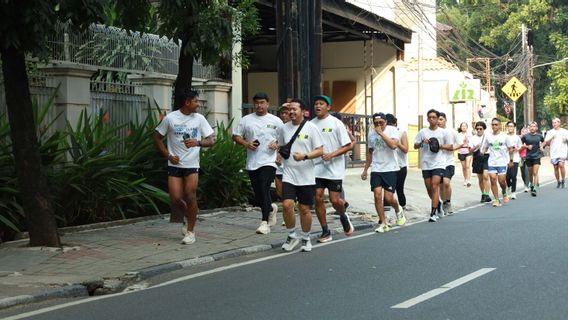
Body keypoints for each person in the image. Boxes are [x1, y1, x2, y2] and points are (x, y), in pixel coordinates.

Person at [154, 90, 215, 245]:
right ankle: (189, 215)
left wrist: (198, 142)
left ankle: (190, 232)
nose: (198, 104)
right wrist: (168, 156)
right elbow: (157, 138)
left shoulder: (199, 119)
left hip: (192, 164)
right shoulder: (170, 118)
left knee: (190, 195)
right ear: (187, 102)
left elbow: (211, 140)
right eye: (196, 101)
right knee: (175, 199)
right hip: (174, 164)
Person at [233, 92, 283, 235]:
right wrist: (246, 144)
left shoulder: (276, 121)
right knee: (258, 192)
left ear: (268, 104)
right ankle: (271, 208)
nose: (259, 105)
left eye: (262, 103)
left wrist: (277, 145)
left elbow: (284, 139)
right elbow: (236, 136)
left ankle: (264, 222)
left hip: (269, 161)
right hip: (253, 161)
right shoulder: (246, 120)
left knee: (264, 185)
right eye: (256, 103)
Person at [279, 99, 323, 252]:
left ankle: (306, 237)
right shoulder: (283, 128)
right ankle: (292, 235)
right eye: (289, 109)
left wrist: (304, 156)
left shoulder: (311, 128)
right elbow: (281, 146)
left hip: (306, 176)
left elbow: (320, 150)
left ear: (303, 111)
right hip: (289, 174)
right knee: (287, 205)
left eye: (294, 109)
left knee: (304, 209)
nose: (291, 112)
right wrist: (278, 155)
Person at [311, 95, 354, 243]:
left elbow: (348, 145)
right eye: (316, 104)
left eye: (321, 104)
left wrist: (331, 155)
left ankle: (343, 214)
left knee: (335, 200)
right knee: (317, 198)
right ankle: (325, 231)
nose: (318, 106)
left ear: (328, 107)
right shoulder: (311, 124)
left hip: (334, 168)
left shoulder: (336, 124)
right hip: (316, 168)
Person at [361, 112, 405, 232]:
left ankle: (398, 209)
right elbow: (370, 152)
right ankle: (383, 222)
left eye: (381, 123)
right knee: (377, 195)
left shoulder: (392, 130)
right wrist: (365, 169)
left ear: (386, 122)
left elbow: (393, 146)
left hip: (390, 169)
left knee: (389, 198)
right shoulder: (371, 134)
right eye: (376, 123)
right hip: (376, 169)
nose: (378, 125)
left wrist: (381, 133)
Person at [413, 109, 452, 222]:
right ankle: (438, 203)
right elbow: (415, 146)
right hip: (426, 163)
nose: (432, 119)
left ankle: (433, 213)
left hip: (439, 163)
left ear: (437, 119)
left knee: (435, 186)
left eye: (434, 117)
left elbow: (450, 146)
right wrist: (421, 143)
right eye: (429, 117)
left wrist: (440, 146)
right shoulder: (422, 132)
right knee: (429, 188)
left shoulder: (444, 132)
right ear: (427, 119)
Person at [481, 118, 513, 207]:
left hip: (502, 162)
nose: (494, 126)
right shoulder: (488, 136)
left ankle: (504, 191)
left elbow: (510, 148)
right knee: (493, 180)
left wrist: (511, 161)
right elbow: (485, 147)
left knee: (502, 181)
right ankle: (496, 199)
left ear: (499, 125)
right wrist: (482, 151)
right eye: (493, 124)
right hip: (492, 162)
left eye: (496, 124)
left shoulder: (505, 136)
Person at [386, 114, 409, 213]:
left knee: (399, 190)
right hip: (388, 167)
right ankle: (386, 215)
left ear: (395, 123)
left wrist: (397, 142)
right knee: (388, 192)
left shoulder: (401, 132)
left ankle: (402, 209)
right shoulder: (384, 133)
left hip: (400, 166)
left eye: (391, 125)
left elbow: (405, 149)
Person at [438, 113, 458, 214]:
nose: (439, 121)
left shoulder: (451, 132)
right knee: (440, 185)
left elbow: (458, 144)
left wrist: (450, 148)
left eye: (441, 119)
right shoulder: (434, 132)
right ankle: (444, 203)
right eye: (438, 119)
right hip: (438, 162)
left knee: (446, 183)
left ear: (445, 120)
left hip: (449, 162)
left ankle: (448, 203)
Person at [469, 121, 492, 203]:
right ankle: (483, 194)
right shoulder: (472, 138)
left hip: (486, 156)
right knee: (480, 178)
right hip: (477, 157)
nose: (479, 130)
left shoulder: (488, 137)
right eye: (477, 129)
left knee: (486, 176)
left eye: (480, 129)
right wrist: (476, 146)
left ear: (484, 129)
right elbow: (470, 151)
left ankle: (487, 194)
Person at [521, 121, 544, 196]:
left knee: (535, 173)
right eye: (531, 126)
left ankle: (534, 188)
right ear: (529, 128)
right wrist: (527, 147)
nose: (532, 128)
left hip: (537, 156)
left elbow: (544, 142)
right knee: (530, 173)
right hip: (528, 157)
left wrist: (541, 147)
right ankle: (531, 184)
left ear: (536, 128)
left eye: (534, 126)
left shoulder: (539, 136)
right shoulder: (525, 136)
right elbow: (521, 145)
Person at [544, 118, 568, 188]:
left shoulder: (565, 131)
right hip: (554, 152)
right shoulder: (550, 132)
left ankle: (563, 180)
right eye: (553, 123)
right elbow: (546, 142)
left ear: (559, 123)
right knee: (555, 167)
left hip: (562, 151)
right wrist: (551, 138)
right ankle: (558, 181)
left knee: (561, 164)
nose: (554, 124)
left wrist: (566, 139)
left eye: (555, 122)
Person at [274, 103, 291, 202]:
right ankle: (283, 201)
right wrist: (277, 154)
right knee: (278, 182)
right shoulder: (279, 127)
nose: (283, 115)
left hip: (292, 161)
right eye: (282, 113)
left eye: (286, 113)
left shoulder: (298, 127)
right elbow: (276, 142)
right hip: (280, 161)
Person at [505, 121, 523, 199]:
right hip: (506, 159)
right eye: (509, 126)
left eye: (511, 126)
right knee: (507, 176)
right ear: (507, 127)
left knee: (513, 176)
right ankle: (509, 186)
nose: (510, 128)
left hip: (515, 158)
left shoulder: (517, 137)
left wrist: (516, 148)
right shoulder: (504, 137)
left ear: (514, 127)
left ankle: (513, 192)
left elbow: (520, 147)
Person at [457, 122, 472, 187]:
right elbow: (458, 143)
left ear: (467, 127)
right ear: (460, 127)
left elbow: (472, 143)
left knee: (467, 166)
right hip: (461, 151)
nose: (464, 127)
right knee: (464, 167)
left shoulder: (470, 134)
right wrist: (463, 141)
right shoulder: (458, 135)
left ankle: (468, 180)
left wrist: (468, 141)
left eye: (465, 126)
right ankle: (465, 179)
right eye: (462, 126)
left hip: (468, 151)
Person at [519, 126, 530, 192]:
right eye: (523, 131)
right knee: (522, 172)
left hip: (528, 157)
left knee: (527, 171)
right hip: (521, 157)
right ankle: (525, 183)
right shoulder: (518, 138)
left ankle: (527, 185)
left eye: (525, 132)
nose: (524, 133)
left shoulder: (529, 138)